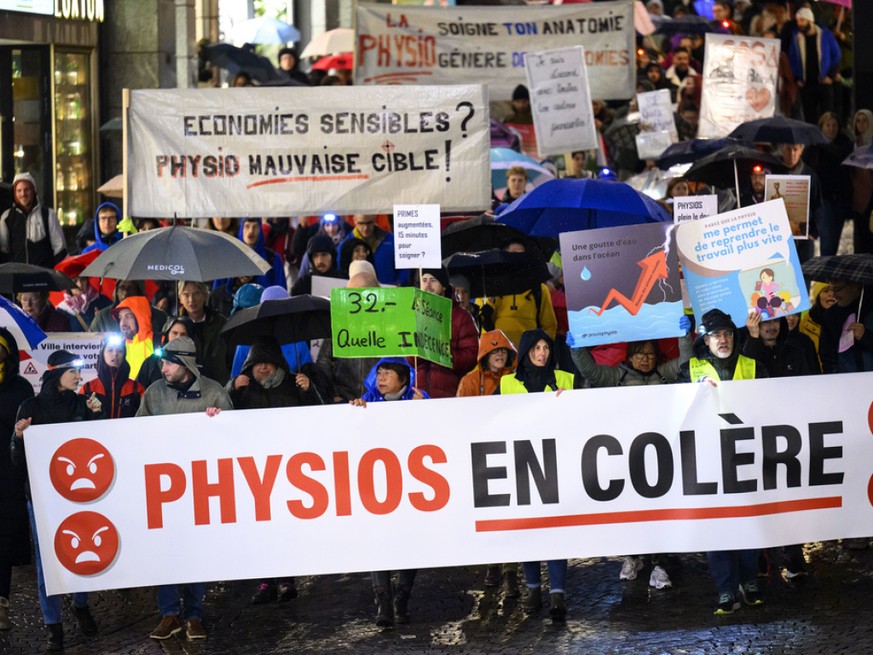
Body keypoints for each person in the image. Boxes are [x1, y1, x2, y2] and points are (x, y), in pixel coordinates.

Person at [137, 336, 232, 641]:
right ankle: (169, 614)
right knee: (165, 550)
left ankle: (194, 615)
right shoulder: (154, 394)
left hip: (201, 488)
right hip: (163, 488)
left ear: (185, 364)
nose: (162, 368)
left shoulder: (213, 393)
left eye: (167, 363)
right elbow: (136, 432)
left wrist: (220, 424)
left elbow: (236, 437)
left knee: (195, 552)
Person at [11, 351, 103, 650]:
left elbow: (98, 444)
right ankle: (54, 625)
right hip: (42, 499)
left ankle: (81, 605)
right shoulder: (31, 407)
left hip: (78, 496)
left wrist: (96, 415)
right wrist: (19, 438)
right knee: (46, 562)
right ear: (57, 374)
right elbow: (16, 460)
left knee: (81, 552)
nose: (79, 376)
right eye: (73, 371)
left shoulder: (82, 402)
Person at [678, 309, 766, 615]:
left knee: (749, 522)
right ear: (705, 340)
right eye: (716, 335)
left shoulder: (753, 364)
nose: (723, 339)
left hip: (746, 458)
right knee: (716, 527)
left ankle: (749, 580)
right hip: (708, 462)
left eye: (728, 333)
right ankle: (726, 589)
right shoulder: (691, 369)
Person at [227, 335, 321, 605]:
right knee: (260, 527)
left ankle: (286, 580)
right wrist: (232, 388)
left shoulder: (294, 384)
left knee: (284, 524)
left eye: (268, 362)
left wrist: (308, 390)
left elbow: (319, 414)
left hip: (289, 468)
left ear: (279, 363)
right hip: (255, 470)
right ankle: (266, 581)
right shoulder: (242, 389)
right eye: (258, 363)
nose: (264, 368)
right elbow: (222, 410)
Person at [499, 329, 574, 622]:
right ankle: (533, 590)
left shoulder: (565, 380)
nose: (542, 353)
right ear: (526, 351)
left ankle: (557, 593)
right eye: (536, 348)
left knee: (555, 531)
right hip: (518, 467)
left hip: (555, 466)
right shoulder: (506, 384)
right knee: (528, 531)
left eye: (546, 348)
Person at [350, 358, 427, 627]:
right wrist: (355, 413)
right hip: (379, 486)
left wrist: (425, 410)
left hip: (413, 484)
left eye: (388, 373)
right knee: (378, 540)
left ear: (403, 379)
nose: (381, 378)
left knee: (410, 541)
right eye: (379, 373)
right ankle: (383, 602)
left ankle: (402, 597)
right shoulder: (367, 402)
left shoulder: (420, 400)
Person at [0, 328, 34, 633]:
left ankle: (1, 601)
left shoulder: (21, 388)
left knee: (3, 542)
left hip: (9, 477)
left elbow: (30, 434)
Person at [476, 240, 558, 350]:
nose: (518, 258)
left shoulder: (539, 289)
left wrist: (541, 352)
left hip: (528, 357)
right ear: (503, 256)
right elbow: (478, 326)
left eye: (522, 254)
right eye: (514, 254)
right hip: (497, 355)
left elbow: (550, 326)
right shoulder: (488, 288)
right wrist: (489, 305)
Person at [412, 268, 479, 398]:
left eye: (433, 280)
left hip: (449, 393)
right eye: (424, 280)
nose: (427, 285)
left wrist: (443, 355)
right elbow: (403, 355)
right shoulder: (411, 313)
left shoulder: (461, 316)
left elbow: (471, 355)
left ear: (443, 286)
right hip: (415, 392)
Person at [0, 172, 66, 267]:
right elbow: (3, 252)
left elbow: (60, 249)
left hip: (44, 278)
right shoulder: (7, 217)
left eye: (27, 190)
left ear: (33, 191)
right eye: (19, 191)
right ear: (14, 194)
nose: (23, 194)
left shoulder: (48, 215)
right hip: (17, 277)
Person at [789, 7, 841, 125]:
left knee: (826, 116)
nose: (799, 24)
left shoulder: (825, 35)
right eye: (798, 21)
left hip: (823, 82)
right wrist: (797, 78)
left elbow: (836, 55)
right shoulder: (797, 38)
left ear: (810, 20)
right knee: (809, 117)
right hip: (807, 84)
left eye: (802, 20)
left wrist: (830, 75)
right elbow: (793, 59)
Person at [79, 334, 146, 418]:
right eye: (110, 350)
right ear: (102, 354)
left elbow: (145, 417)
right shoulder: (88, 388)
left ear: (124, 355)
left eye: (120, 351)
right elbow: (78, 418)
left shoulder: (136, 388)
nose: (115, 354)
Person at [178, 280, 230, 384]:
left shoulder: (220, 323)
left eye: (196, 293)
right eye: (186, 295)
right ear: (180, 299)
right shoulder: (174, 326)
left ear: (205, 296)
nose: (191, 300)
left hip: (217, 384)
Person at [819, 280, 873, 374]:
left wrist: (866, 337)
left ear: (856, 285)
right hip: (845, 382)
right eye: (832, 289)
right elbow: (828, 357)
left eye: (838, 289)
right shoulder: (831, 316)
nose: (834, 295)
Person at [338, 214, 409, 286]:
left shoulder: (391, 240)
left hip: (391, 291)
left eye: (369, 223)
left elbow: (404, 266)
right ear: (354, 220)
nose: (365, 228)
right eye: (361, 223)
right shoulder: (344, 245)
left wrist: (400, 282)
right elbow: (339, 270)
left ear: (375, 219)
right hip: (356, 292)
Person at [90, 279, 169, 337]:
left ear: (139, 291)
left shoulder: (158, 316)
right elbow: (89, 342)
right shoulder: (102, 317)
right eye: (122, 288)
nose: (125, 293)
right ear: (116, 292)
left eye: (130, 288)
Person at [137, 316, 195, 389]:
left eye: (183, 335)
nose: (178, 338)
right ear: (167, 335)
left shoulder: (196, 363)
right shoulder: (152, 362)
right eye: (175, 333)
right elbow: (139, 391)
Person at [113, 296, 156, 379]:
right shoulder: (119, 346)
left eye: (128, 317)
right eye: (120, 318)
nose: (123, 323)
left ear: (141, 318)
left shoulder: (159, 341)